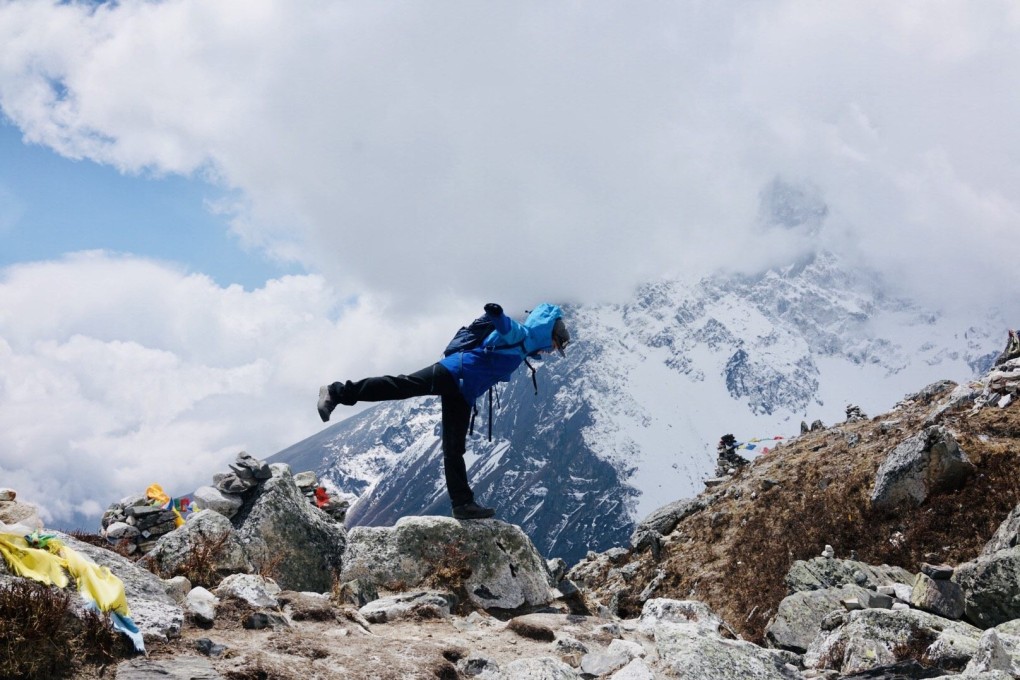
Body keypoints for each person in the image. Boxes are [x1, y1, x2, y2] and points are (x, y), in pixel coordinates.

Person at [316, 302, 570, 520]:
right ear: (549, 333)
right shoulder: (521, 335)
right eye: (555, 345)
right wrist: (496, 312)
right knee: (401, 386)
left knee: (454, 447)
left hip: (463, 391)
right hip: (453, 373)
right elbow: (504, 324)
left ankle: (462, 504)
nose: (552, 351)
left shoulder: (525, 347)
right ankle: (337, 392)